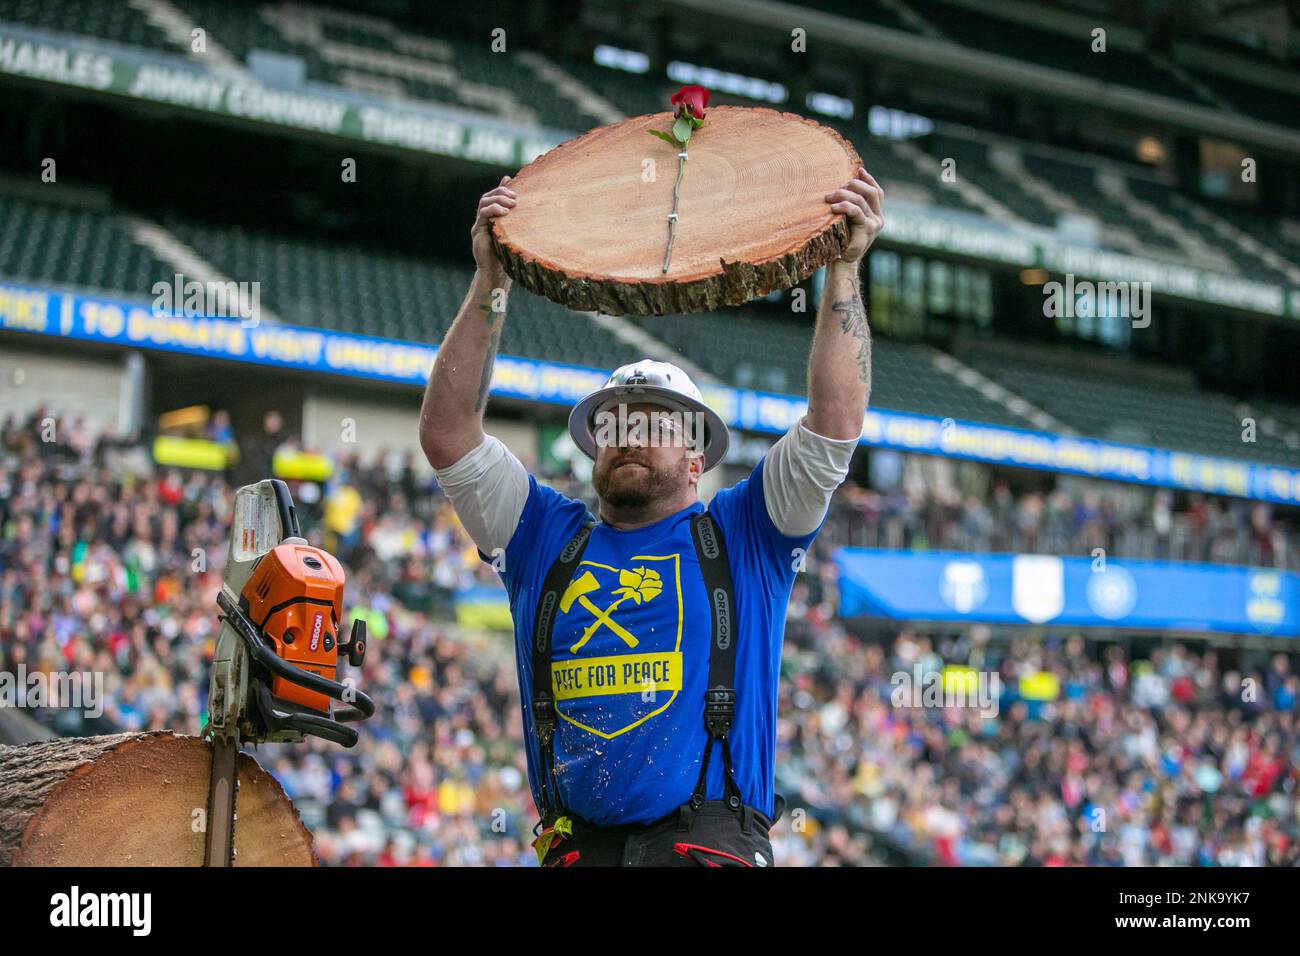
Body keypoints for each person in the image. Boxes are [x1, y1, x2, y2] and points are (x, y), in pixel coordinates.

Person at [419, 164, 884, 866]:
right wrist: (490, 281)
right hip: (578, 848)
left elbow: (834, 424)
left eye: (655, 423)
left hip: (707, 845)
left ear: (697, 457)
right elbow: (449, 434)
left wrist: (844, 269)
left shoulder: (747, 531)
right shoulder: (543, 534)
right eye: (614, 423)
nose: (629, 433)